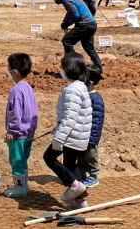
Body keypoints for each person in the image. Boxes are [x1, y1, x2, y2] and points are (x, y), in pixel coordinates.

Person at [43, 52, 92, 210]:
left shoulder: (72, 90)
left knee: (49, 157)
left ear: (69, 69)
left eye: (62, 67)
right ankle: (81, 200)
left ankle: (75, 186)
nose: (60, 70)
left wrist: (59, 138)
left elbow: (70, 118)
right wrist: (58, 128)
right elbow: (71, 115)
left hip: (71, 136)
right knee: (70, 165)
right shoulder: (80, 87)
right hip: (77, 135)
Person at [3, 53, 38, 198]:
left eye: (8, 68)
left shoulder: (16, 90)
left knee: (16, 160)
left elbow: (15, 112)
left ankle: (19, 188)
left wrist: (12, 129)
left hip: (17, 134)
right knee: (23, 159)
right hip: (28, 132)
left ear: (14, 72)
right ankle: (24, 185)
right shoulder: (28, 88)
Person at [48, 0, 103, 74]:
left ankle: (76, 66)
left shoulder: (66, 0)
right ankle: (99, 69)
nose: (54, 0)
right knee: (89, 48)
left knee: (67, 41)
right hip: (92, 24)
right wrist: (65, 21)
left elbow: (75, 15)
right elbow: (70, 11)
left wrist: (67, 23)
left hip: (84, 24)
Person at [77, 65, 105, 188]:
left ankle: (94, 176)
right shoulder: (83, 95)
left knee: (91, 155)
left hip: (91, 135)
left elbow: (97, 120)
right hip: (82, 133)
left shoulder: (96, 99)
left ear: (91, 81)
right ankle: (81, 172)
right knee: (81, 155)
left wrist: (93, 137)